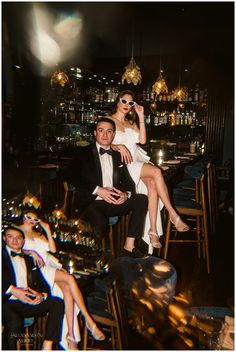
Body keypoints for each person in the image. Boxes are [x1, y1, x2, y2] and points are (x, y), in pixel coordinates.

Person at [107, 90, 189, 253]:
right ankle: (173, 214)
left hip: (138, 161)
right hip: (124, 165)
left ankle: (152, 231)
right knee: (157, 173)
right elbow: (102, 142)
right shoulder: (108, 120)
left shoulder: (131, 122)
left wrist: (141, 116)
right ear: (117, 101)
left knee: (152, 184)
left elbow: (143, 140)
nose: (126, 105)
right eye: (124, 101)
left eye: (130, 103)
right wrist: (118, 146)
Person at [18, 209, 105, 350]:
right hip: (36, 270)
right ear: (23, 217)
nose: (31, 221)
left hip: (48, 266)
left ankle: (71, 338)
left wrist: (47, 230)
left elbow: (52, 250)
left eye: (35, 219)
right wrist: (29, 252)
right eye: (29, 217)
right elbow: (11, 248)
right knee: (70, 278)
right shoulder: (16, 231)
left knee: (67, 290)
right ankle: (88, 320)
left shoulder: (38, 234)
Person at [64, 117, 148, 258]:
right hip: (90, 202)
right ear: (95, 133)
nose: (105, 135)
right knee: (100, 223)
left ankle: (129, 246)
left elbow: (129, 183)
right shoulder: (83, 153)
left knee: (141, 199)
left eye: (109, 132)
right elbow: (69, 174)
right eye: (101, 131)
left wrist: (125, 194)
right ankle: (94, 259)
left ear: (113, 135)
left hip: (113, 201)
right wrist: (98, 190)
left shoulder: (117, 155)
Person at [2, 226, 65, 350]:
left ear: (23, 242)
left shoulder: (30, 260)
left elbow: (43, 285)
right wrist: (13, 290)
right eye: (10, 237)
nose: (15, 240)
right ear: (4, 239)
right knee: (15, 322)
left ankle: (47, 345)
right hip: (5, 301)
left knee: (57, 303)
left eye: (19, 238)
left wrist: (42, 295)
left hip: (27, 302)